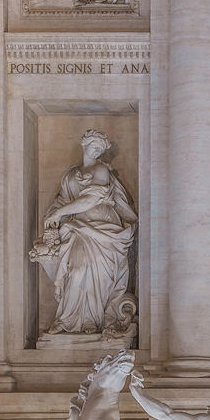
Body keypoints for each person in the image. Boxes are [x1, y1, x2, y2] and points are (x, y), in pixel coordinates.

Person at [29, 131, 137, 335]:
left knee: (94, 275)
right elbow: (62, 200)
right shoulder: (70, 174)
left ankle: (92, 321)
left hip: (101, 228)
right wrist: (52, 216)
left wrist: (60, 212)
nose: (97, 150)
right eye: (94, 145)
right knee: (76, 272)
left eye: (100, 149)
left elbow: (90, 200)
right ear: (84, 144)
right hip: (76, 229)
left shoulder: (101, 171)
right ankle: (67, 320)